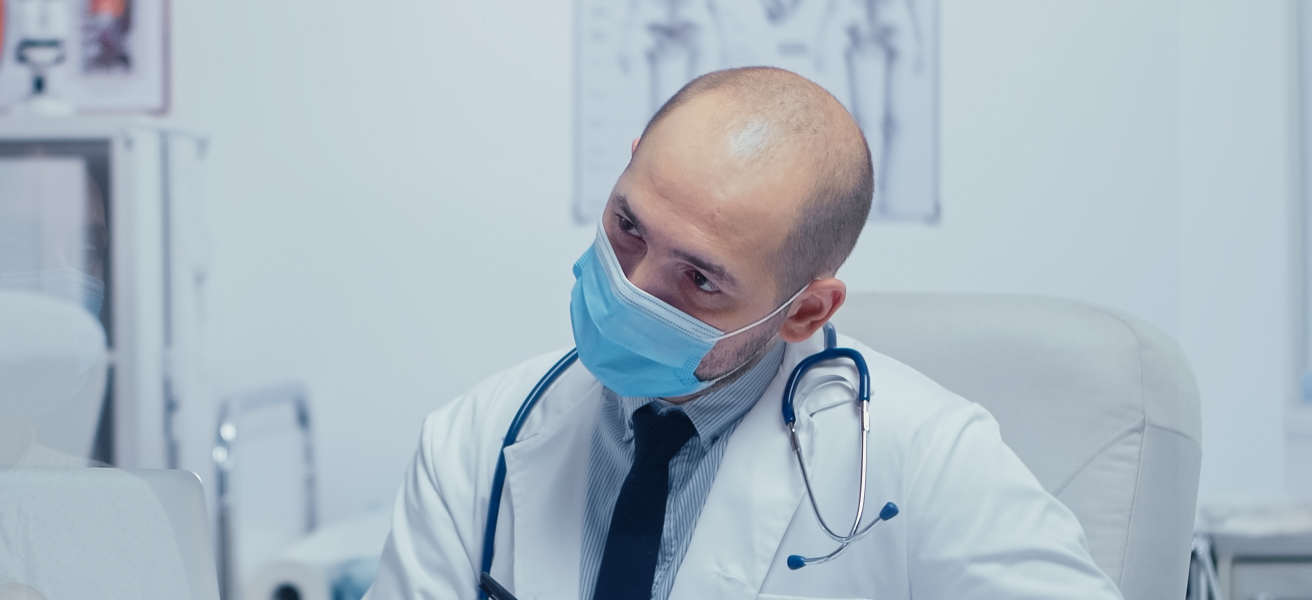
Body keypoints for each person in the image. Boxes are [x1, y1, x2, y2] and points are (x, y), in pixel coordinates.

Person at [364, 67, 1121, 600]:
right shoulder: (476, 441)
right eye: (628, 226)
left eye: (699, 280)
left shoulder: (930, 461)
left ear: (805, 311)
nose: (632, 288)